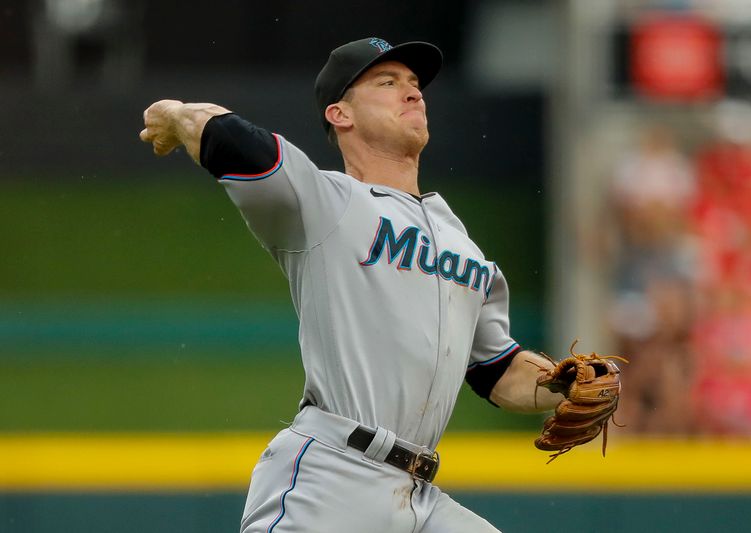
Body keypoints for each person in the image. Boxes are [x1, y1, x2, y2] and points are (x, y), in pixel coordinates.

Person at [140, 37, 565, 533]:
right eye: (388, 82)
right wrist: (175, 114)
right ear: (340, 114)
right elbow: (237, 142)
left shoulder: (464, 246)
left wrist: (562, 386)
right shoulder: (323, 203)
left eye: (414, 84)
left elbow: (496, 370)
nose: (413, 93)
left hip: (419, 494)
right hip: (333, 474)